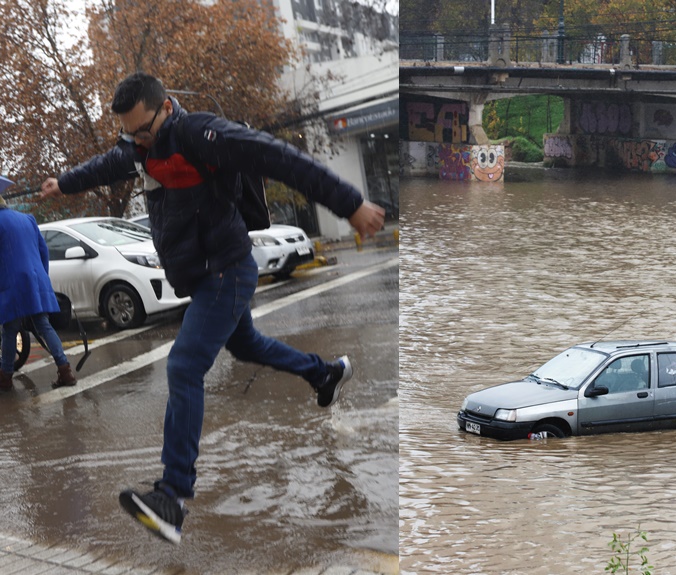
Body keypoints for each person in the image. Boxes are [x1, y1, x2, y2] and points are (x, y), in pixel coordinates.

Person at [40, 72, 386, 545]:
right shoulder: (139, 148)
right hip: (204, 275)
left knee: (183, 366)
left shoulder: (202, 133)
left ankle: (172, 498)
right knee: (246, 343)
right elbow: (108, 164)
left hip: (227, 269)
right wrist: (64, 182)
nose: (137, 140)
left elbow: (277, 157)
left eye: (143, 129)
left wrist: (350, 205)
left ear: (164, 108)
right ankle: (324, 374)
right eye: (129, 133)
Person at [0, 177, 78, 391]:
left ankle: (5, 376)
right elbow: (43, 252)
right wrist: (42, 278)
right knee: (43, 325)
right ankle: (65, 370)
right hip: (36, 280)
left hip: (12, 284)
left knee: (10, 329)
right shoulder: (27, 219)